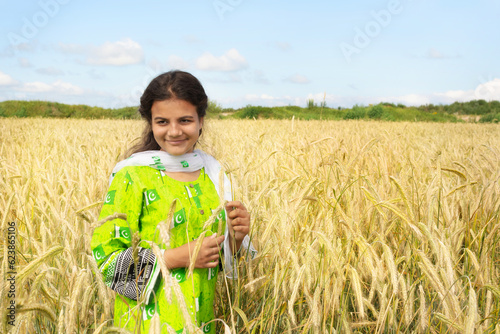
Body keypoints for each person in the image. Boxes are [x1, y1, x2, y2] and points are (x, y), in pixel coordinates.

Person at [91, 70, 256, 333]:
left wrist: (236, 237)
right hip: (145, 325)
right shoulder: (133, 176)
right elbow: (106, 262)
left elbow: (218, 260)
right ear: (151, 123)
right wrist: (174, 258)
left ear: (201, 121)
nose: (175, 131)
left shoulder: (212, 176)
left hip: (201, 323)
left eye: (185, 120)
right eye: (163, 122)